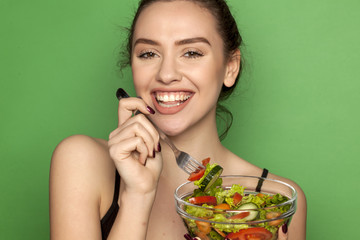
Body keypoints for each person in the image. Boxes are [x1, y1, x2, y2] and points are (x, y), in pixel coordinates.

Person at [49, 0, 307, 239]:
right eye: (149, 53)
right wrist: (138, 195)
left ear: (230, 67)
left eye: (192, 53)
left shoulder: (277, 199)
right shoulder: (82, 161)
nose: (166, 74)